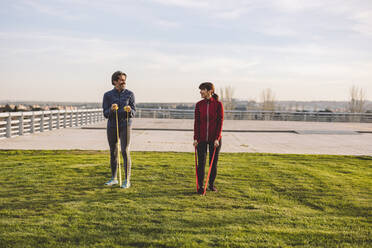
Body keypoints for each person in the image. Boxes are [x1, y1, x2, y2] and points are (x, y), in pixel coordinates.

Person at [102, 71, 136, 188]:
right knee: (113, 151)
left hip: (125, 124)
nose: (124, 82)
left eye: (124, 80)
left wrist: (129, 110)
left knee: (124, 150)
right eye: (121, 80)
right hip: (112, 125)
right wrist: (111, 109)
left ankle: (127, 180)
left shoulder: (130, 94)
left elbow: (134, 112)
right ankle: (114, 178)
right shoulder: (107, 95)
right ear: (115, 82)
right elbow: (105, 114)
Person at [193, 82, 224, 194]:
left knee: (213, 162)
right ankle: (201, 186)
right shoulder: (199, 105)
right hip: (201, 138)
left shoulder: (218, 104)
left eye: (203, 90)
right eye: (200, 90)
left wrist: (217, 138)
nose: (201, 92)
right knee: (201, 163)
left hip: (215, 139)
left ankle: (211, 184)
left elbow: (220, 122)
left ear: (210, 91)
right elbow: (197, 123)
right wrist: (196, 138)